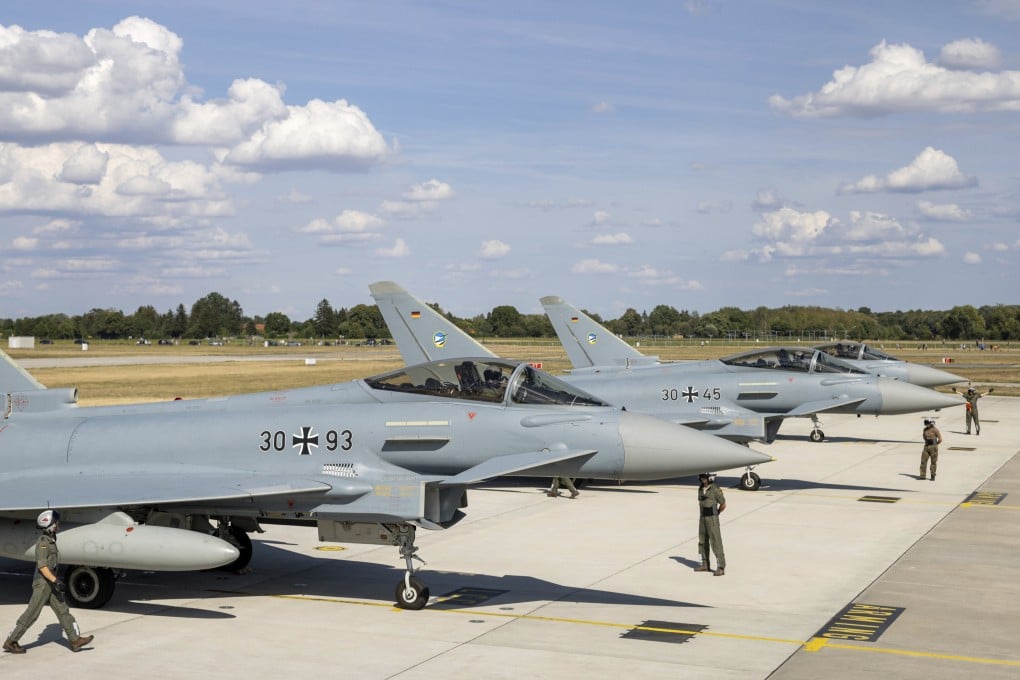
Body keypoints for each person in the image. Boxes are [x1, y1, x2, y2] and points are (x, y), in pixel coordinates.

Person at [3, 511, 94, 654]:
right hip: (43, 583)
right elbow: (42, 566)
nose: (58, 525)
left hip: (50, 583)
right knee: (32, 613)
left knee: (63, 610)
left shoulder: (51, 540)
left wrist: (54, 581)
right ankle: (11, 641)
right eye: (56, 523)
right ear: (50, 525)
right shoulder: (43, 543)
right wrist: (55, 580)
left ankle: (75, 640)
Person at [694, 472, 726, 576]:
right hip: (702, 518)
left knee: (716, 542)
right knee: (702, 541)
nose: (703, 479)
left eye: (705, 477)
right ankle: (704, 564)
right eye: (701, 477)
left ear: (710, 478)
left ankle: (720, 567)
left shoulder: (716, 489)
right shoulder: (700, 489)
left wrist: (717, 513)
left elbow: (723, 504)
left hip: (712, 519)